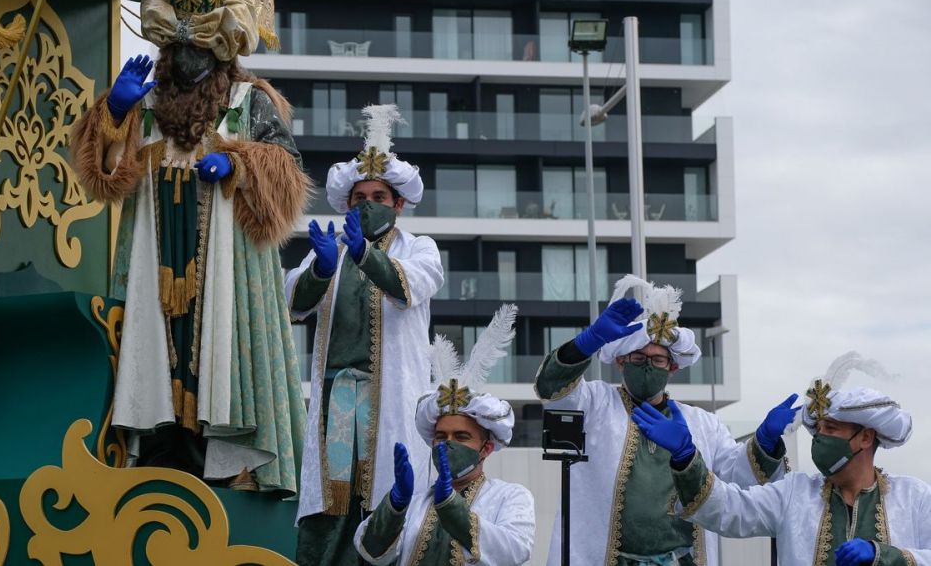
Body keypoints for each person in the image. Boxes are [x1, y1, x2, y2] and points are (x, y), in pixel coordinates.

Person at [71, 0, 308, 492]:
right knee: (152, 356)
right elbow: (104, 174)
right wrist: (114, 111)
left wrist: (239, 163)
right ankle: (158, 457)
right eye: (177, 48)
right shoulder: (148, 100)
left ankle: (220, 467)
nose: (186, 58)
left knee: (219, 361)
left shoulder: (248, 101)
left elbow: (287, 174)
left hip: (228, 271)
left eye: (197, 47)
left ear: (221, 50)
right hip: (152, 254)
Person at [533, 275, 795, 565]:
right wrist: (587, 342)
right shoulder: (595, 403)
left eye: (657, 360)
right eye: (638, 358)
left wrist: (765, 440)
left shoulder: (703, 423)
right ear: (620, 362)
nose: (648, 366)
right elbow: (551, 389)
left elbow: (737, 478)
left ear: (672, 367)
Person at [284, 104, 444, 565]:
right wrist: (321, 269)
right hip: (337, 398)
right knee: (333, 502)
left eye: (378, 196)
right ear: (347, 204)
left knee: (386, 500)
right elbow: (292, 303)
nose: (368, 204)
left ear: (399, 203)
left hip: (390, 397)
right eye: (359, 198)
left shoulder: (419, 247)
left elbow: (410, 287)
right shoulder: (329, 249)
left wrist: (366, 256)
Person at [635, 358, 931, 565]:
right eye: (817, 430)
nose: (820, 438)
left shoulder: (914, 497)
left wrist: (884, 555)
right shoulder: (794, 493)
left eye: (831, 429)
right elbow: (727, 509)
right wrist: (686, 457)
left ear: (865, 438)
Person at [355, 304, 535, 565]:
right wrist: (395, 505)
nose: (448, 444)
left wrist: (451, 506)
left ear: (486, 448)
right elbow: (368, 551)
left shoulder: (510, 496)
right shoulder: (415, 503)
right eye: (441, 436)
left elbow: (514, 551)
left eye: (461, 437)